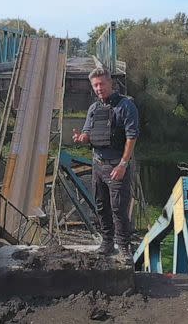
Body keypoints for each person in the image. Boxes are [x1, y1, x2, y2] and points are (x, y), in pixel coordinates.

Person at [72, 67, 139, 264]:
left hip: (116, 166)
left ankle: (124, 248)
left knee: (119, 208)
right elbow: (88, 134)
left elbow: (131, 137)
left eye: (102, 84)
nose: (99, 88)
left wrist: (123, 164)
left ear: (111, 83)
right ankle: (107, 242)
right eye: (95, 85)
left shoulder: (126, 106)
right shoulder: (94, 109)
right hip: (98, 166)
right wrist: (82, 138)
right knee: (101, 207)